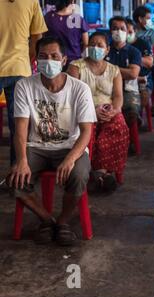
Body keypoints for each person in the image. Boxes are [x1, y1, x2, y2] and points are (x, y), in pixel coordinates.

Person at [8, 37, 96, 246]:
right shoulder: (24, 86)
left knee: (79, 175)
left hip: (70, 147)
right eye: (43, 56)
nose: (49, 61)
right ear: (36, 60)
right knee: (15, 179)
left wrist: (70, 159)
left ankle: (64, 221)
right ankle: (48, 220)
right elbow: (20, 129)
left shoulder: (79, 89)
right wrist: (21, 160)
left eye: (54, 56)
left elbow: (86, 132)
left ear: (64, 59)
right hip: (36, 147)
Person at [68, 32, 129, 193]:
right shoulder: (75, 67)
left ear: (107, 50)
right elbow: (71, 96)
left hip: (107, 109)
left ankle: (101, 170)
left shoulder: (114, 70)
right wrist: (91, 111)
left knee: (118, 125)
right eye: (92, 44)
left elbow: (117, 97)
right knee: (88, 129)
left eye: (100, 45)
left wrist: (113, 111)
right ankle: (89, 170)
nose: (95, 48)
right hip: (82, 110)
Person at [0, 0, 48, 166]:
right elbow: (37, 37)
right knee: (19, 126)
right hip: (20, 68)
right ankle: (17, 170)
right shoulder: (31, 1)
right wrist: (28, 57)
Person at [106, 16, 142, 138]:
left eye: (122, 28)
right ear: (110, 31)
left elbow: (133, 74)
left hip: (128, 90)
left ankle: (129, 139)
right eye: (115, 28)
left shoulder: (134, 52)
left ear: (127, 31)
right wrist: (122, 71)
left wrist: (108, 68)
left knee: (131, 111)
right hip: (105, 89)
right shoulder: (105, 50)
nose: (118, 31)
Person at [125, 18, 154, 118]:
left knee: (142, 95)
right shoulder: (117, 45)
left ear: (135, 31)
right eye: (124, 31)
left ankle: (136, 117)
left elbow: (149, 63)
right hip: (123, 78)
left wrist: (133, 58)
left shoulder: (143, 44)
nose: (126, 34)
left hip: (143, 78)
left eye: (130, 31)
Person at [44, 0, 89, 67]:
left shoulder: (48, 17)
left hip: (53, 61)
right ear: (72, 1)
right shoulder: (77, 19)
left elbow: (42, 39)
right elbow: (86, 43)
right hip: (74, 61)